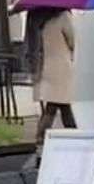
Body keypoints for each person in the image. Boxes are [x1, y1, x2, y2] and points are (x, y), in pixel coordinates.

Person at [25, 8, 76, 141]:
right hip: (61, 67)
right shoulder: (63, 16)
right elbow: (73, 41)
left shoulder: (36, 18)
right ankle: (42, 136)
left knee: (57, 105)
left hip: (44, 68)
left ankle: (70, 133)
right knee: (60, 103)